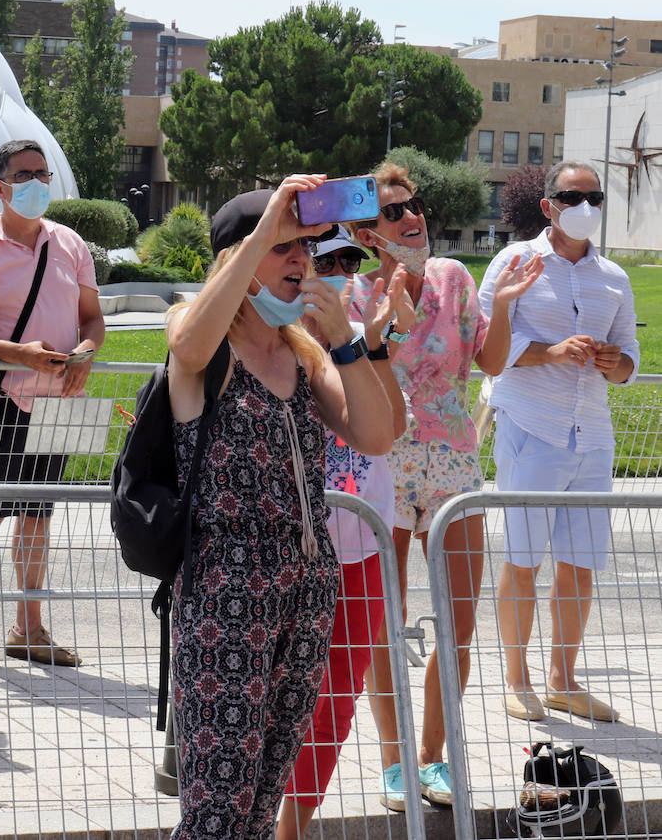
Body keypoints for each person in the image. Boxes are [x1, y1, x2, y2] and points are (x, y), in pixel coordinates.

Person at [166, 182, 393, 839]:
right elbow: (186, 350)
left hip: (307, 585)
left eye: (306, 247)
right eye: (283, 246)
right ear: (239, 253)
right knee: (217, 807)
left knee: (263, 802)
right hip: (227, 591)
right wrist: (266, 224)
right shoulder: (197, 331)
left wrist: (347, 340)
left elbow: (375, 435)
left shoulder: (302, 349)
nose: (301, 259)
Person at [349, 162, 542, 810]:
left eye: (415, 205)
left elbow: (487, 360)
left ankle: (434, 755)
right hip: (386, 463)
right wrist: (391, 318)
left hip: (455, 460)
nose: (413, 217)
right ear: (367, 234)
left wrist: (506, 306)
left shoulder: (454, 277)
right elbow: (354, 372)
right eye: (395, 212)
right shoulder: (353, 294)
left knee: (457, 622)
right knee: (385, 620)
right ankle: (396, 760)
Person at [481, 161, 639, 724]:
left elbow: (629, 361)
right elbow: (486, 346)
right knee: (523, 559)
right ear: (548, 205)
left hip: (592, 437)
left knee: (580, 564)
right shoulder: (513, 261)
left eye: (594, 196)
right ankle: (517, 679)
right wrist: (549, 352)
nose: (586, 204)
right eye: (574, 195)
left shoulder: (614, 278)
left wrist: (616, 362)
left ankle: (562, 681)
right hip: (532, 429)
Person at [0, 139, 104, 671]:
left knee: (39, 517)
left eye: (43, 173)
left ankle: (29, 627)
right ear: (0, 186)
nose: (37, 183)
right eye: (24, 174)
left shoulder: (70, 244)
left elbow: (93, 320)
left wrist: (85, 352)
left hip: (60, 398)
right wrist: (19, 355)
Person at [277, 226, 412, 840]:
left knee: (334, 701)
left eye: (346, 261)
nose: (335, 271)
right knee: (270, 692)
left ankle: (292, 828)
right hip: (287, 549)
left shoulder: (355, 337)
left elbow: (393, 425)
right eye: (322, 258)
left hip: (360, 549)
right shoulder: (269, 336)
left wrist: (373, 342)